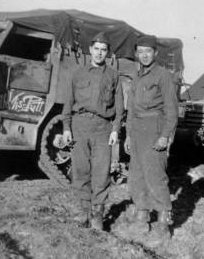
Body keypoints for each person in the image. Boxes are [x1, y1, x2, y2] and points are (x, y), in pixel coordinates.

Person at [120, 34, 178, 247]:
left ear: (155, 53)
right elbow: (131, 109)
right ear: (137, 53)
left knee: (155, 175)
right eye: (140, 51)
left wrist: (165, 135)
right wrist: (128, 135)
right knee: (136, 175)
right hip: (137, 131)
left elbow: (172, 109)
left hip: (155, 128)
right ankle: (142, 218)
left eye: (148, 51)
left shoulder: (163, 76)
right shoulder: (136, 77)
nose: (144, 55)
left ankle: (163, 224)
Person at [62, 32, 124, 230]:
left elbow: (120, 107)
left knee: (101, 172)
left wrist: (115, 130)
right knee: (80, 170)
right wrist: (66, 128)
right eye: (96, 49)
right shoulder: (77, 73)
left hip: (103, 128)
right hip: (79, 126)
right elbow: (68, 102)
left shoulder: (113, 75)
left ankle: (97, 215)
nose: (99, 53)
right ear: (90, 50)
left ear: (108, 53)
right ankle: (83, 212)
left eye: (103, 50)